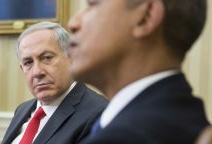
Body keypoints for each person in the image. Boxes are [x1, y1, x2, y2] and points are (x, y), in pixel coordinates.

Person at [68, 0, 210, 143]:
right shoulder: (186, 119)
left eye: (93, 4)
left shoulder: (121, 138)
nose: (73, 24)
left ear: (145, 17)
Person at [2, 22, 108, 144]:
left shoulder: (98, 114)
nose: (37, 72)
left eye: (47, 58)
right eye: (28, 62)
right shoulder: (22, 110)